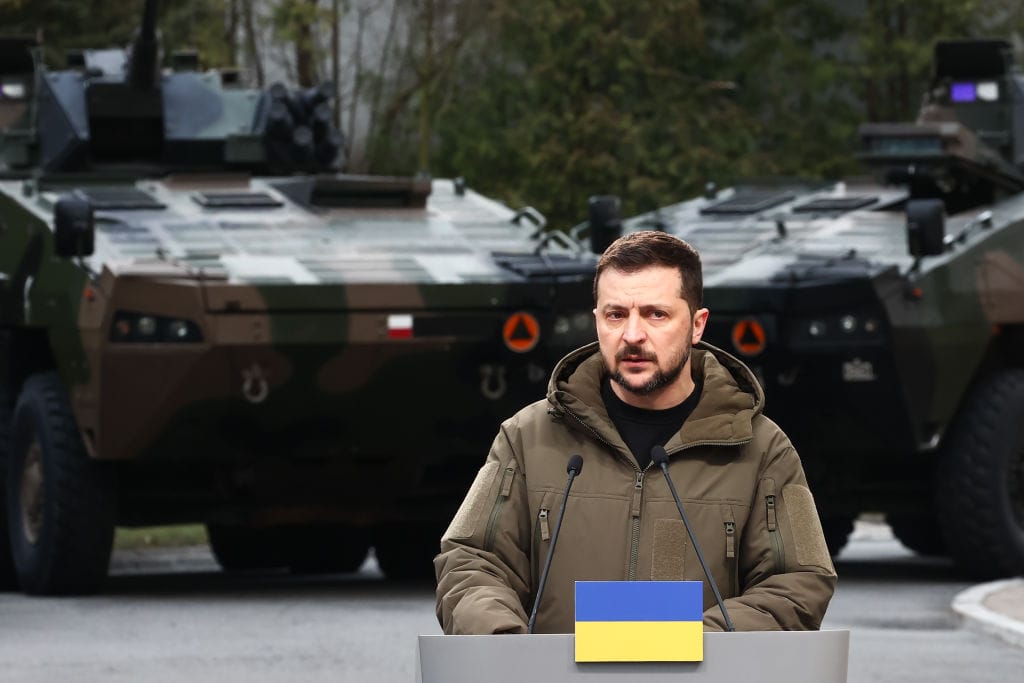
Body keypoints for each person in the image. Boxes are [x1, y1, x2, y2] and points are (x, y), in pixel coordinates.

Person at [434, 230, 836, 634]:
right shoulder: (527, 438)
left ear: (697, 325)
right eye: (616, 315)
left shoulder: (762, 448)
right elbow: (470, 563)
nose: (632, 335)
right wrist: (505, 643)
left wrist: (696, 643)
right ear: (596, 320)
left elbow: (797, 584)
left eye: (655, 314)